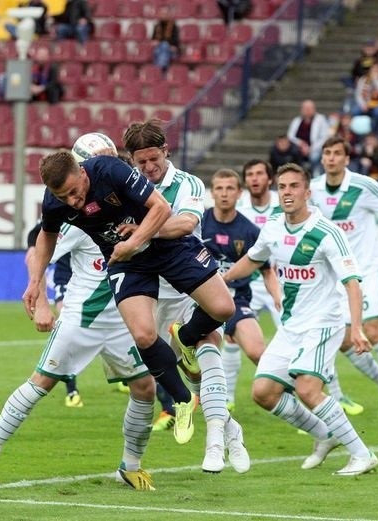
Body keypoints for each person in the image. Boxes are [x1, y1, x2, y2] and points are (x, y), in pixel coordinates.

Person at [25, 150, 235, 447]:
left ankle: (186, 336)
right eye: (63, 196)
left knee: (224, 308)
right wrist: (35, 281)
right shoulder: (56, 200)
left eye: (74, 192)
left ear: (83, 173)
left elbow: (160, 208)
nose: (72, 201)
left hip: (165, 248)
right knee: (144, 336)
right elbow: (46, 235)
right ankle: (183, 400)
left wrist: (135, 241)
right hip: (128, 262)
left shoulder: (110, 171)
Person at [0, 217, 158, 490]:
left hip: (123, 323)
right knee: (41, 382)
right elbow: (36, 255)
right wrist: (43, 304)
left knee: (145, 388)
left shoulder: (142, 215)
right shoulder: (82, 222)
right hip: (81, 321)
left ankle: (129, 467)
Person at [223, 162, 378, 476]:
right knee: (263, 393)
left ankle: (363, 455)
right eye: (282, 187)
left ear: (307, 192)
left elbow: (351, 282)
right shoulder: (273, 226)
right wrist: (218, 281)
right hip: (292, 325)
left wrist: (358, 328)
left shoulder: (326, 232)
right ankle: (324, 435)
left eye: (294, 186)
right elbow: (253, 260)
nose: (288, 192)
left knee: (308, 390)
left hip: (322, 324)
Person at [122, 120, 249, 473]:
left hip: (188, 283)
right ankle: (231, 432)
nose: (149, 168)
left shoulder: (188, 183)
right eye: (141, 162)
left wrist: (141, 232)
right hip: (149, 295)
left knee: (210, 355)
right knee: (161, 381)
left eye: (154, 159)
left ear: (166, 151)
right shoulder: (127, 185)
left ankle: (212, 446)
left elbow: (185, 224)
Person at [311, 137, 378, 422]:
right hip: (336, 275)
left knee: (373, 332)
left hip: (370, 269)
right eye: (327, 153)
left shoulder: (364, 185)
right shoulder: (313, 189)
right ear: (322, 158)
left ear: (347, 159)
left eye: (337, 153)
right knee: (345, 341)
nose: (332, 158)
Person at [205, 168, 275, 413]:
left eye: (230, 189)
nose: (224, 194)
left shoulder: (250, 231)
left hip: (236, 300)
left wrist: (278, 298)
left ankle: (298, 400)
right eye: (219, 189)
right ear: (212, 193)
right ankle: (179, 404)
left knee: (258, 352)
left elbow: (267, 269)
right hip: (199, 301)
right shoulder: (199, 223)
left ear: (239, 193)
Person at [232, 159, 282, 410]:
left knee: (296, 338)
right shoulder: (239, 209)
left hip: (280, 281)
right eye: (249, 174)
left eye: (259, 173)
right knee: (232, 335)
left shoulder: (284, 204)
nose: (254, 178)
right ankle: (227, 399)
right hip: (248, 284)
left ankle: (332, 394)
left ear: (269, 179)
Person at [25, 222, 81, 407]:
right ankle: (72, 391)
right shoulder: (62, 212)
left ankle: (124, 375)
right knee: (68, 330)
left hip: (100, 279)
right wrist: (33, 249)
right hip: (67, 278)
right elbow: (37, 231)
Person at [287, 99, 330, 175]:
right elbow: (290, 136)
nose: (307, 110)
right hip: (299, 148)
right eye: (305, 108)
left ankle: (316, 176)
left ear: (314, 109)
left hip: (316, 148)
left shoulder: (321, 120)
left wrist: (310, 149)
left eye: (309, 108)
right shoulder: (296, 121)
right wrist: (300, 143)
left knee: (315, 157)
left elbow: (324, 137)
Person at [151, 5, 179, 72]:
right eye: (162, 14)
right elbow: (153, 39)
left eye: (165, 14)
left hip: (170, 50)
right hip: (159, 49)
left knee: (165, 45)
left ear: (169, 14)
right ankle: (162, 67)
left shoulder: (173, 26)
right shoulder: (157, 26)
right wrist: (154, 43)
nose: (164, 15)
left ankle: (159, 69)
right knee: (160, 48)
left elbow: (176, 42)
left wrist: (173, 46)